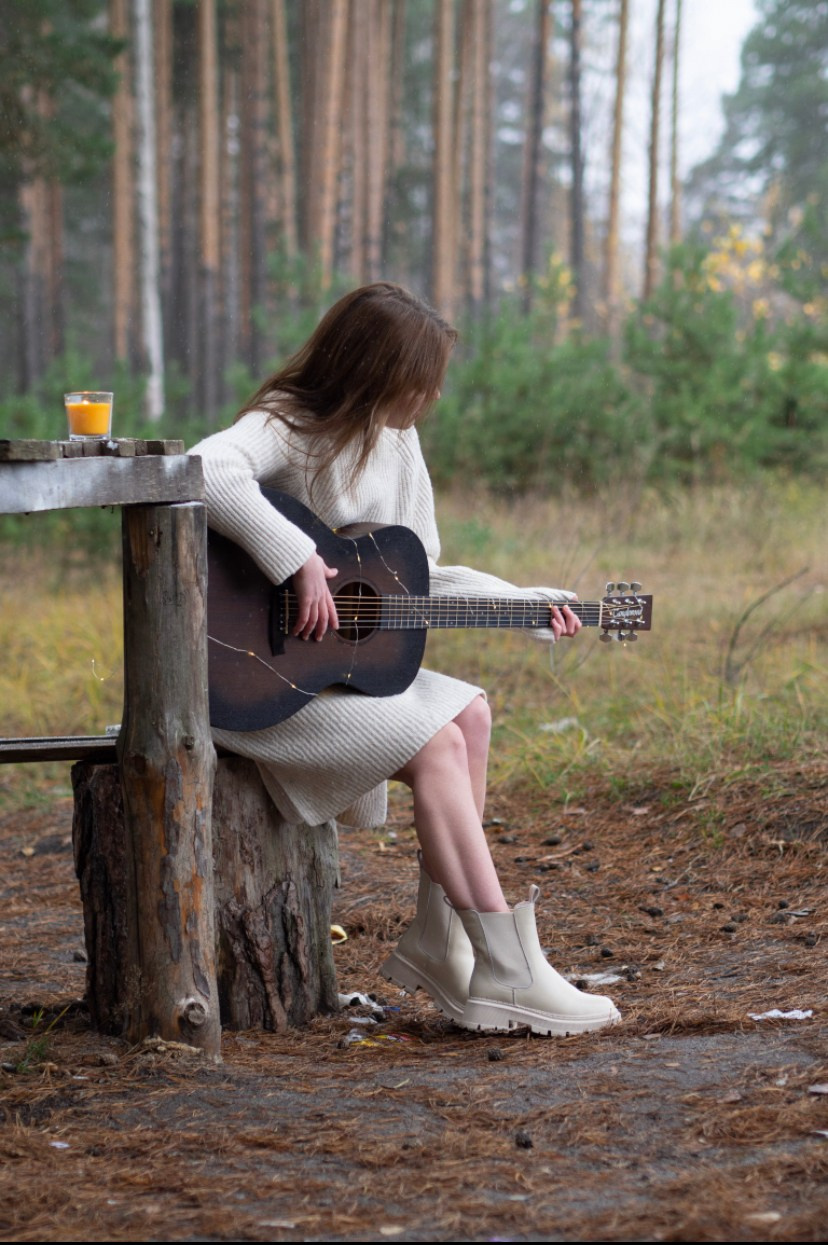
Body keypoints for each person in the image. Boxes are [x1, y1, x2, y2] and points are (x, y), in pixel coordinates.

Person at [189, 281, 620, 1037]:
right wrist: (294, 558)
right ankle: (513, 969)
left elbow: (414, 576)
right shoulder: (286, 425)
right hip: (257, 682)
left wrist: (525, 602)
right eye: (420, 376)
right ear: (371, 369)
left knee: (471, 712)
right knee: (437, 738)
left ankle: (442, 940)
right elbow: (204, 469)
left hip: (328, 678)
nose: (432, 393)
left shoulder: (396, 441)